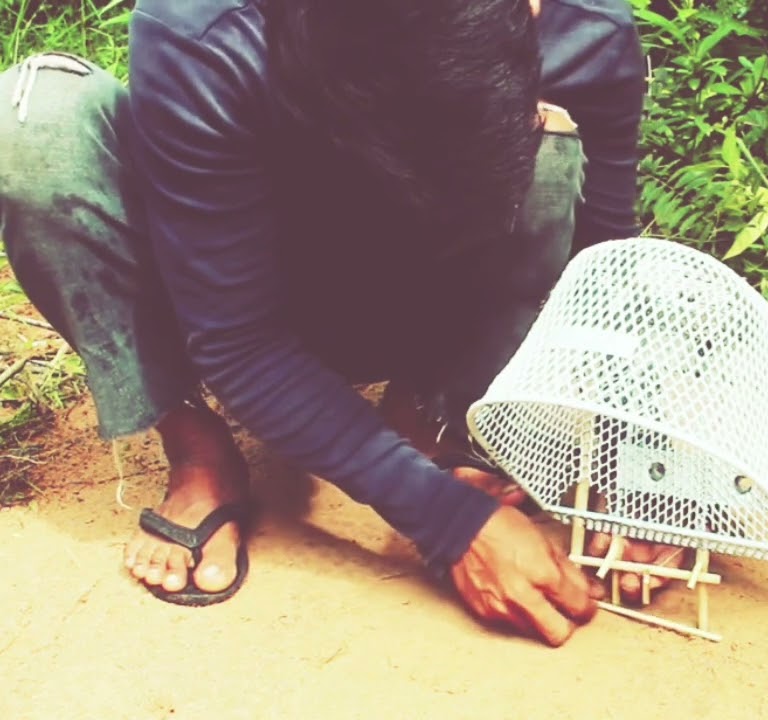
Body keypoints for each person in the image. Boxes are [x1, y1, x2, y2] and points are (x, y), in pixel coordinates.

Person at [0, 0, 676, 647]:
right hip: (235, 281)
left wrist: (634, 461)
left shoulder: (584, 31)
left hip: (420, 276)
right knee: (34, 126)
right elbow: (239, 339)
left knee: (555, 151)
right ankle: (198, 450)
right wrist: (448, 521)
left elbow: (605, 268)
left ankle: (432, 407)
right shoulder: (203, 27)